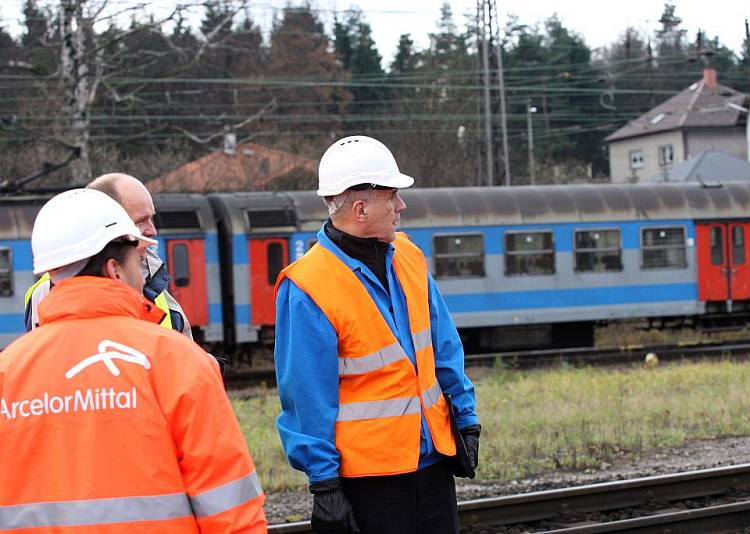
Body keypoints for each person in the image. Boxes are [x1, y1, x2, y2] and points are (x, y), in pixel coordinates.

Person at [0, 189, 267, 532]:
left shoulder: (8, 373)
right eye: (138, 263)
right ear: (115, 270)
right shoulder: (180, 361)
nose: (145, 275)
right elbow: (232, 510)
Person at [274, 135, 480, 534]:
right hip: (369, 483)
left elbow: (444, 347)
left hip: (434, 462)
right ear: (361, 207)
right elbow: (305, 396)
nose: (401, 206)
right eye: (393, 196)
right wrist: (325, 484)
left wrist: (466, 419)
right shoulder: (307, 287)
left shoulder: (409, 256)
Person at [24, 173, 192, 338]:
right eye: (141, 221)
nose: (152, 231)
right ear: (108, 221)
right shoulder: (44, 294)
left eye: (151, 219)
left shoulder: (154, 281)